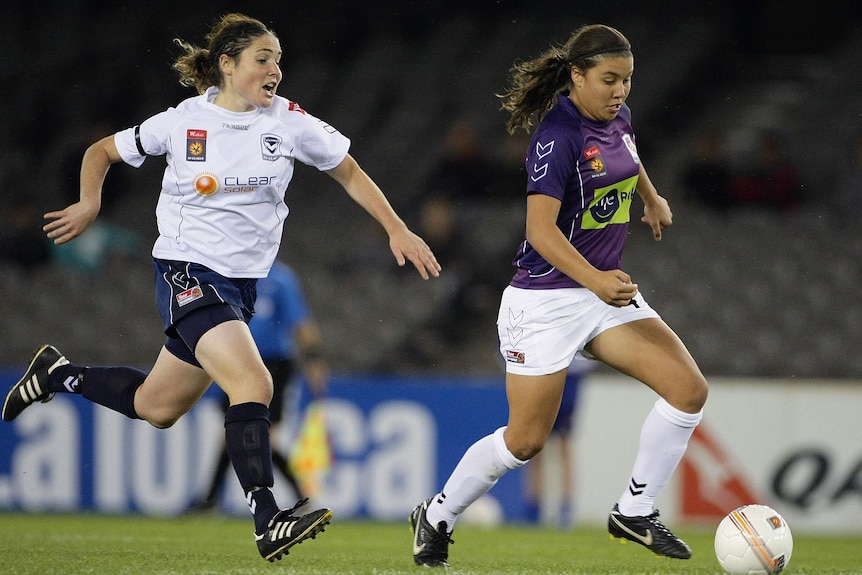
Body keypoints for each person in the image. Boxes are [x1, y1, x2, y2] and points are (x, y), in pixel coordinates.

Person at [2, 13, 440, 563]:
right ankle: (266, 517)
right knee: (254, 382)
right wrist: (90, 202)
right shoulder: (183, 121)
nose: (275, 70)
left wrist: (396, 227)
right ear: (228, 65)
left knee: (156, 407)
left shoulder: (290, 122)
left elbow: (348, 170)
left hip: (240, 288)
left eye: (279, 60)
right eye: (263, 59)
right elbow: (101, 152)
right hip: (187, 270)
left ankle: (56, 375)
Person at [410, 24, 708, 567]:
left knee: (688, 390)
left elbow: (628, 155)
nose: (620, 91)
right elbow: (541, 232)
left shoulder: (619, 118)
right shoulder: (557, 136)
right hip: (545, 300)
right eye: (609, 79)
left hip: (601, 295)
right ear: (576, 76)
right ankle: (437, 515)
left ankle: (634, 511)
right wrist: (594, 279)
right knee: (525, 442)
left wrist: (652, 196)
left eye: (628, 80)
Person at [187, 259, 328, 513]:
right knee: (234, 433)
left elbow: (302, 323)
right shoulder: (230, 272)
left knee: (260, 435)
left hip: (273, 364)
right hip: (236, 358)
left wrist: (315, 359)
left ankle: (301, 497)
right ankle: (210, 500)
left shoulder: (281, 279)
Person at [522, 362, 589, 529]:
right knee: (534, 444)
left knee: (564, 443)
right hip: (541, 372)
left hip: (569, 375)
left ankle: (566, 508)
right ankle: (533, 508)